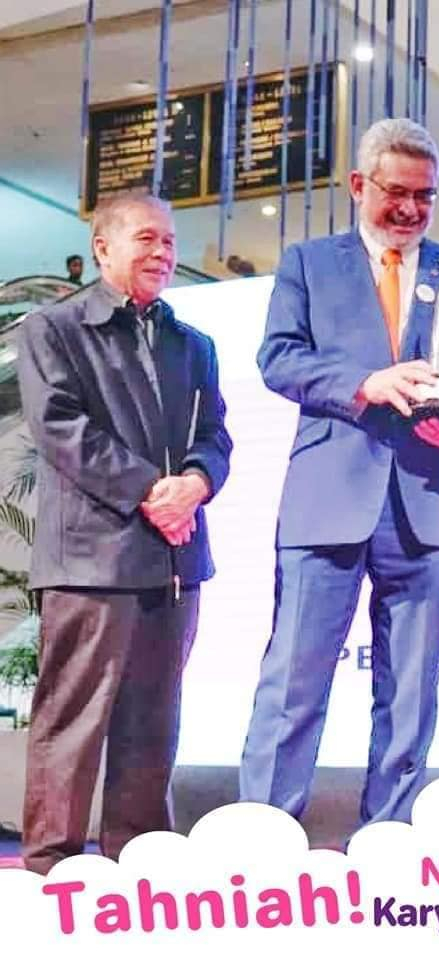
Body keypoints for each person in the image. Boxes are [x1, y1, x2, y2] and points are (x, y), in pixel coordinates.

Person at [240, 118, 439, 825]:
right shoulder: (308, 263)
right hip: (328, 497)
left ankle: (389, 837)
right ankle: (262, 835)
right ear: (359, 185)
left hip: (431, 503)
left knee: (411, 693)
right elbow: (278, 359)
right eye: (396, 192)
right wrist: (365, 384)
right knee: (293, 683)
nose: (410, 208)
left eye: (425, 195)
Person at [17, 191, 231, 874]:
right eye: (147, 239)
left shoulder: (192, 344)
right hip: (90, 561)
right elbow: (60, 427)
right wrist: (149, 490)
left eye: (169, 241)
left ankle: (141, 868)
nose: (163, 253)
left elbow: (215, 436)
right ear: (103, 246)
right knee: (72, 722)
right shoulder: (54, 328)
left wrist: (195, 482)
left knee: (154, 721)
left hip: (175, 560)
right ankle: (50, 869)